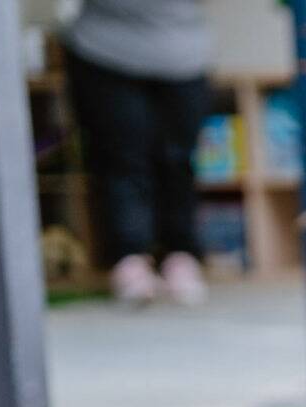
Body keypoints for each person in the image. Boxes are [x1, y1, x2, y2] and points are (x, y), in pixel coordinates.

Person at [62, 0, 212, 305]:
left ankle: (181, 256)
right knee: (121, 159)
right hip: (104, 51)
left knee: (178, 160)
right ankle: (129, 260)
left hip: (183, 54)